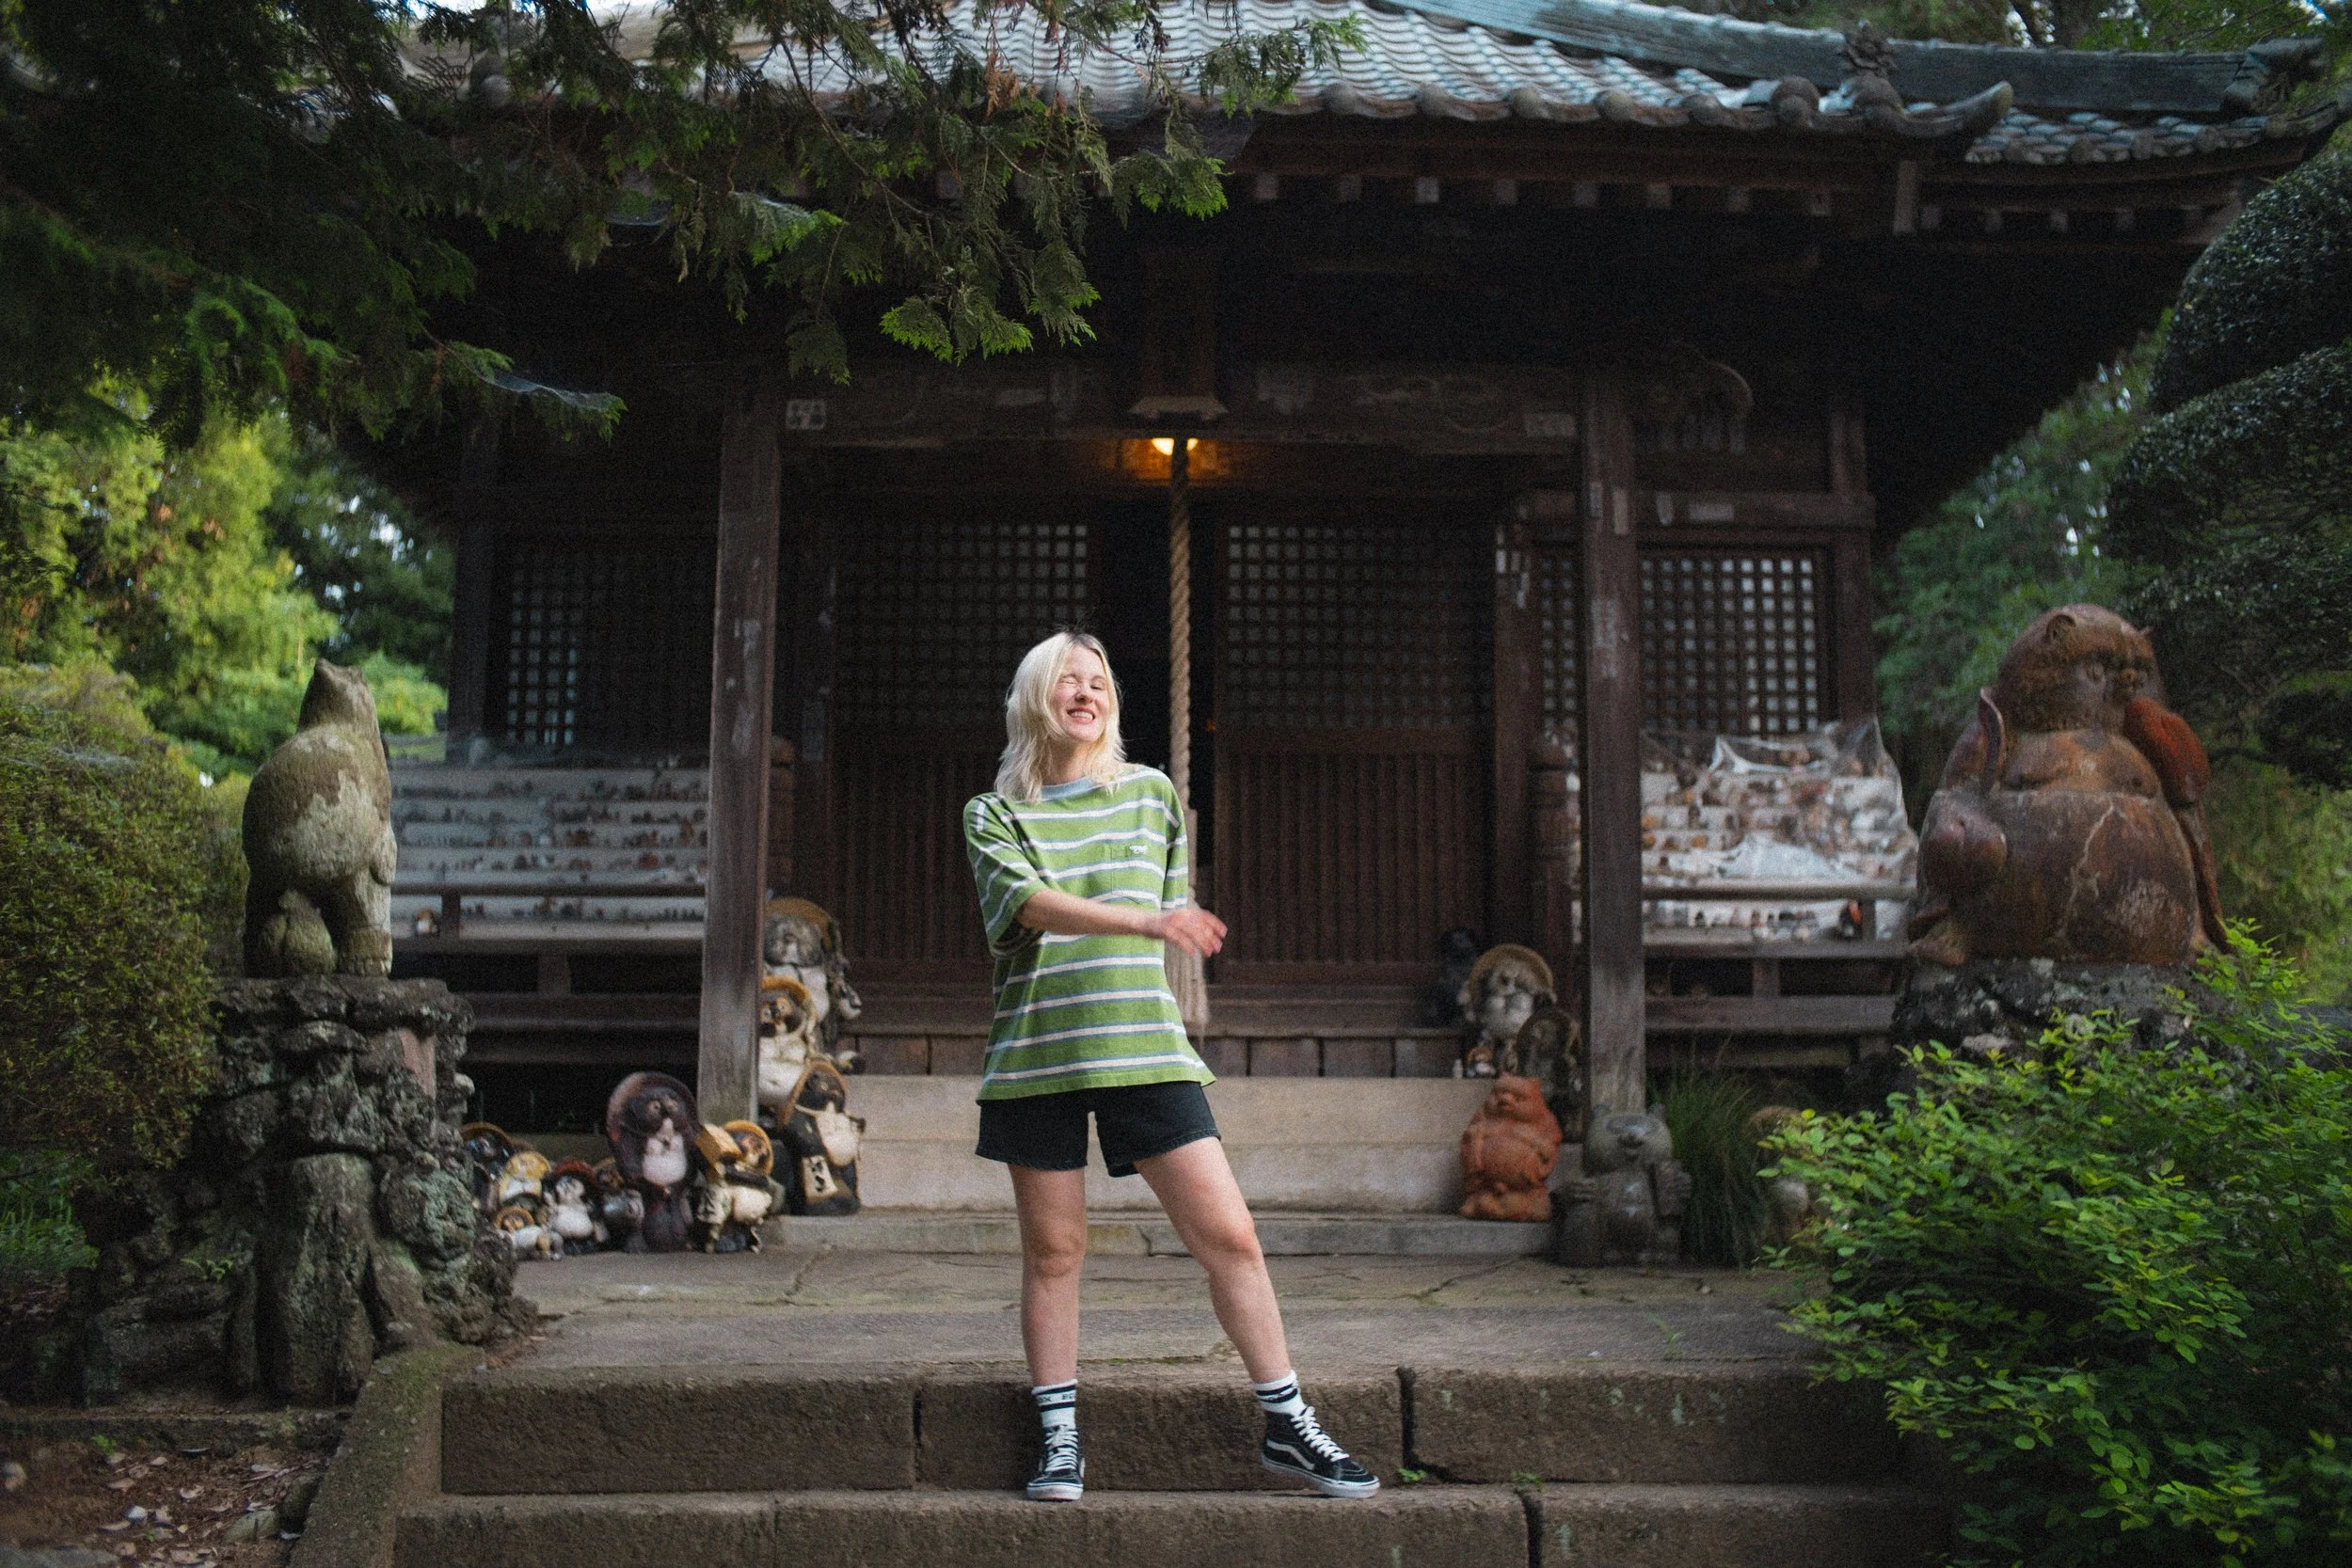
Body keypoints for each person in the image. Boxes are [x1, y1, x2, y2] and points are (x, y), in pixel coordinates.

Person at [961, 630, 1378, 1505]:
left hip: (1143, 1045)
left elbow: (1171, 902)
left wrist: (1162, 922)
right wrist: (1145, 922)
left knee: (1231, 1235)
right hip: (1037, 1053)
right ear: (1035, 698)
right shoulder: (992, 813)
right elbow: (1030, 906)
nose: (1088, 691)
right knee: (1055, 1252)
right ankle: (1060, 1438)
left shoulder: (1152, 795)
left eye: (1100, 680)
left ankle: (1287, 1422)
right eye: (1069, 680)